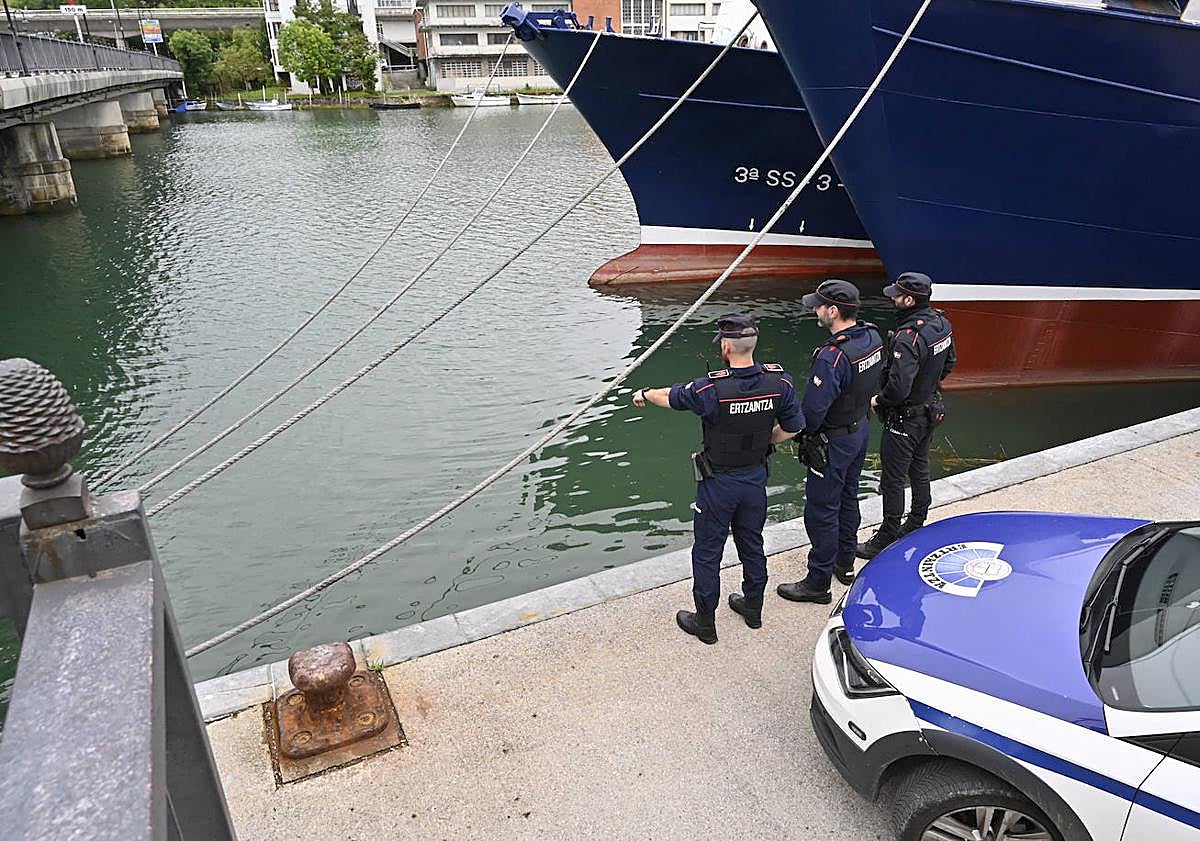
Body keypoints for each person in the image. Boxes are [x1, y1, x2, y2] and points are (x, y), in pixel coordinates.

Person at [633, 313, 803, 644]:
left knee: (708, 551)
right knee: (752, 544)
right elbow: (795, 427)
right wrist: (764, 439)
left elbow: (669, 396)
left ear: (726, 346)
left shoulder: (711, 389)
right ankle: (753, 608)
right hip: (755, 478)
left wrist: (645, 392)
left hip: (718, 484)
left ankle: (705, 622)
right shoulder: (779, 383)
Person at [777, 279, 884, 604]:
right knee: (849, 498)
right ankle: (845, 563)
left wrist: (784, 434)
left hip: (833, 443)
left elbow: (812, 412)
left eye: (819, 306)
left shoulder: (832, 357)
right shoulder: (872, 337)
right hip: (859, 430)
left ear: (833, 311)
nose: (815, 310)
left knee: (822, 510)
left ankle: (817, 582)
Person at [857, 272, 957, 559]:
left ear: (909, 300)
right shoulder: (942, 323)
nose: (893, 299)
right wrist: (927, 385)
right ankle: (916, 522)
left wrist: (880, 399)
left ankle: (887, 535)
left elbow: (899, 387)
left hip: (904, 418)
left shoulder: (907, 336)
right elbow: (950, 362)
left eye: (896, 296)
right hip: (930, 410)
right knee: (920, 467)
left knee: (893, 479)